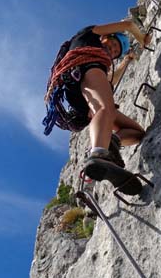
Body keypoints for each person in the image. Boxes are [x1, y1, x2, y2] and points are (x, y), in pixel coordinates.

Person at [43, 20, 152, 194]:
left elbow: (111, 81)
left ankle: (109, 145)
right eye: (113, 44)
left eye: (116, 52)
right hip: (83, 69)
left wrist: (126, 61)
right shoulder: (89, 36)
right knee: (105, 108)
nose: (113, 50)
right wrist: (143, 39)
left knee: (137, 133)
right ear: (105, 37)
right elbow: (128, 24)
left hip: (80, 88)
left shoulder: (101, 65)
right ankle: (98, 154)